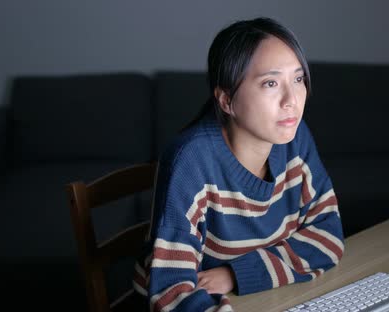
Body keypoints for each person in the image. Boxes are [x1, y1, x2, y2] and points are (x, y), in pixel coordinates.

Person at [133, 17, 344, 312]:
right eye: (271, 83)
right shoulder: (191, 161)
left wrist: (236, 273)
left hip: (260, 297)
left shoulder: (294, 137)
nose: (292, 100)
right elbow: (171, 291)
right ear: (226, 100)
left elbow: (328, 235)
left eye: (298, 79)